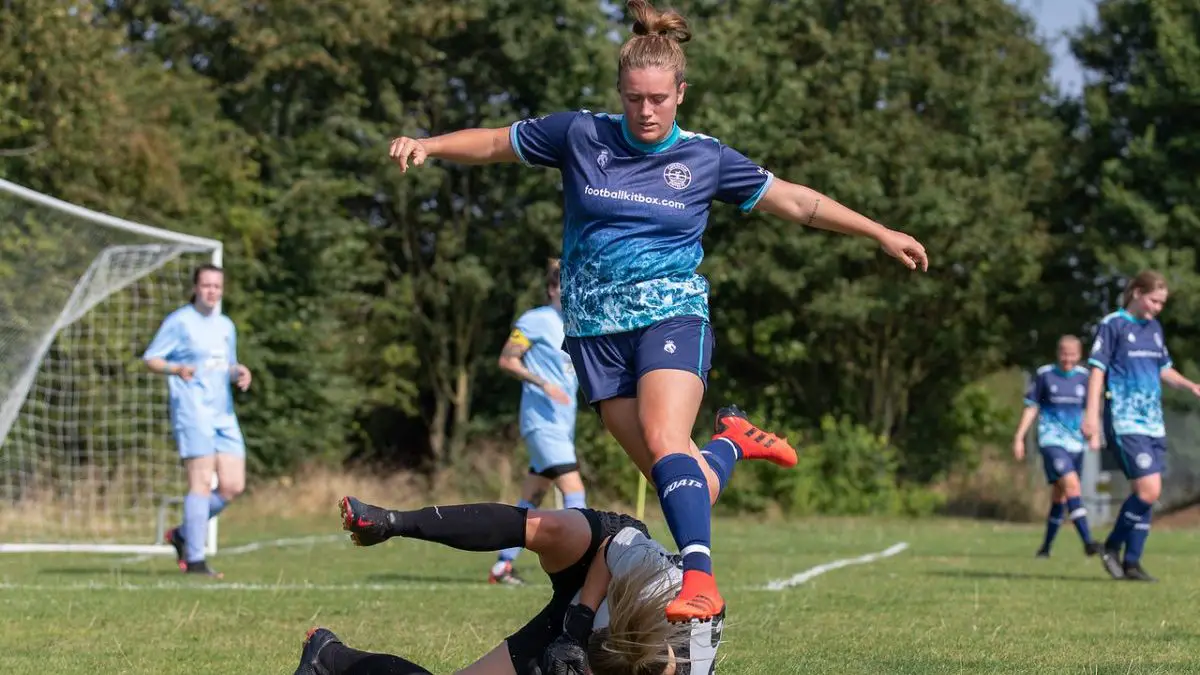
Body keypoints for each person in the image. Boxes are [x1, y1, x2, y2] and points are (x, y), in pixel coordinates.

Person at [386, 0, 928, 621]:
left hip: (672, 314)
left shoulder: (705, 158)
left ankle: (700, 578)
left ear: (681, 93)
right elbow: (493, 142)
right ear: (620, 91)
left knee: (668, 439)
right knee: (683, 480)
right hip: (594, 332)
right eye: (634, 98)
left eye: (658, 99)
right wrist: (429, 145)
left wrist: (880, 232)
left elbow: (799, 204)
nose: (645, 111)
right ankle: (732, 443)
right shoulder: (580, 134)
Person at [294, 406, 767, 675]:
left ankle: (327, 657)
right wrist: (578, 624)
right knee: (573, 522)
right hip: (606, 555)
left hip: (588, 635)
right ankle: (395, 521)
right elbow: (611, 549)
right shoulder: (668, 596)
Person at [1083, 270, 1200, 581]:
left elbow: (1164, 369)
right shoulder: (1113, 325)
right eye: (1154, 300)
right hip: (1125, 420)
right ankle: (1112, 547)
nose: (1157, 308)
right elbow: (1096, 372)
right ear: (1136, 293)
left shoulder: (1154, 328)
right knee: (1149, 490)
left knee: (1145, 493)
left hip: (1153, 422)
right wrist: (1091, 415)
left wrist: (1191, 386)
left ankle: (1132, 563)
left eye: (1162, 303)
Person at [142, 263, 252, 578]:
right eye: (206, 285)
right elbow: (152, 359)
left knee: (232, 485)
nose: (211, 291)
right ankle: (194, 560)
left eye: (217, 286)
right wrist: (176, 369)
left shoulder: (226, 326)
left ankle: (183, 533)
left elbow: (226, 365)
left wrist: (239, 372)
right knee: (201, 482)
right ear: (195, 287)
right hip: (193, 410)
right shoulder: (180, 322)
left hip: (223, 413)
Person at [491, 259, 587, 585]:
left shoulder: (575, 325)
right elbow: (507, 359)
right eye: (563, 286)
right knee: (574, 491)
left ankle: (502, 567)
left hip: (560, 426)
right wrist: (542, 383)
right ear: (551, 290)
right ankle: (583, 567)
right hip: (541, 423)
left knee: (530, 500)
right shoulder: (535, 320)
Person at [1012, 335, 1101, 558]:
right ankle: (1088, 542)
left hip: (1076, 444)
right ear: (1057, 353)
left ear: (1079, 355)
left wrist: (1094, 433)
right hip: (1052, 441)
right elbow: (1031, 407)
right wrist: (1019, 436)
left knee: (1060, 496)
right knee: (1072, 486)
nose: (1067, 360)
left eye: (1072, 355)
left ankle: (1045, 548)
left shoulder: (1084, 377)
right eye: (1064, 354)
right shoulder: (1045, 375)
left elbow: (1091, 409)